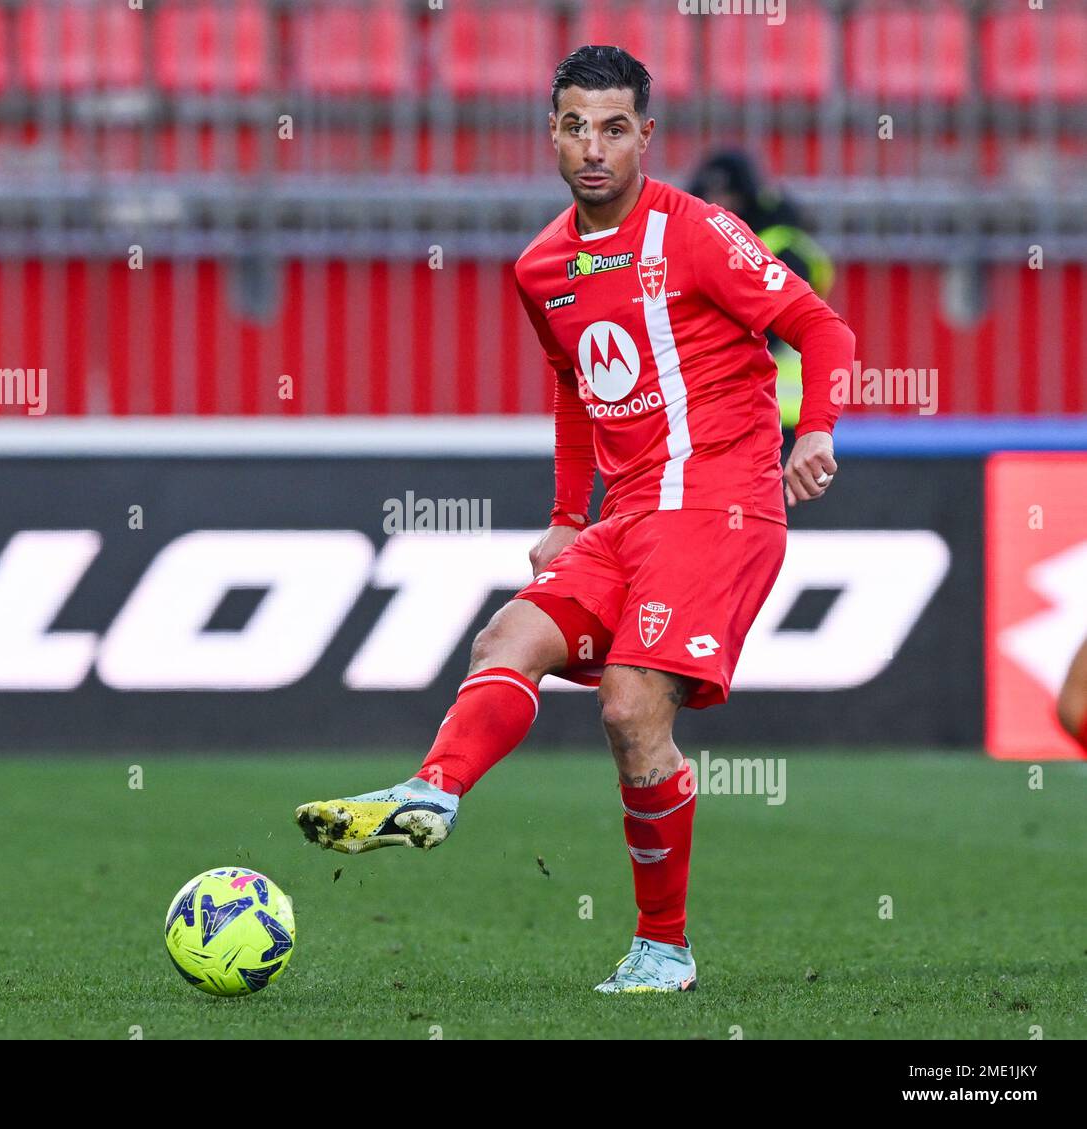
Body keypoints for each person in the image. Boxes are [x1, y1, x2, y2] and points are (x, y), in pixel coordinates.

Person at [295, 45, 855, 993]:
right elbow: (569, 388)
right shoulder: (541, 265)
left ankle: (664, 949)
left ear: (644, 135)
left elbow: (822, 327)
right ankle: (432, 790)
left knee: (632, 707)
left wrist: (817, 433)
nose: (593, 146)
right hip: (631, 512)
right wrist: (565, 515)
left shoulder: (700, 232)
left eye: (613, 127)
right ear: (551, 133)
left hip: (721, 500)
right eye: (574, 125)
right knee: (507, 635)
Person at [688, 150, 835, 429]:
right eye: (708, 194)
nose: (718, 204)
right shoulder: (708, 247)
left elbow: (774, 330)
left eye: (728, 194)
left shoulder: (782, 249)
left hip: (783, 406)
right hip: (727, 404)